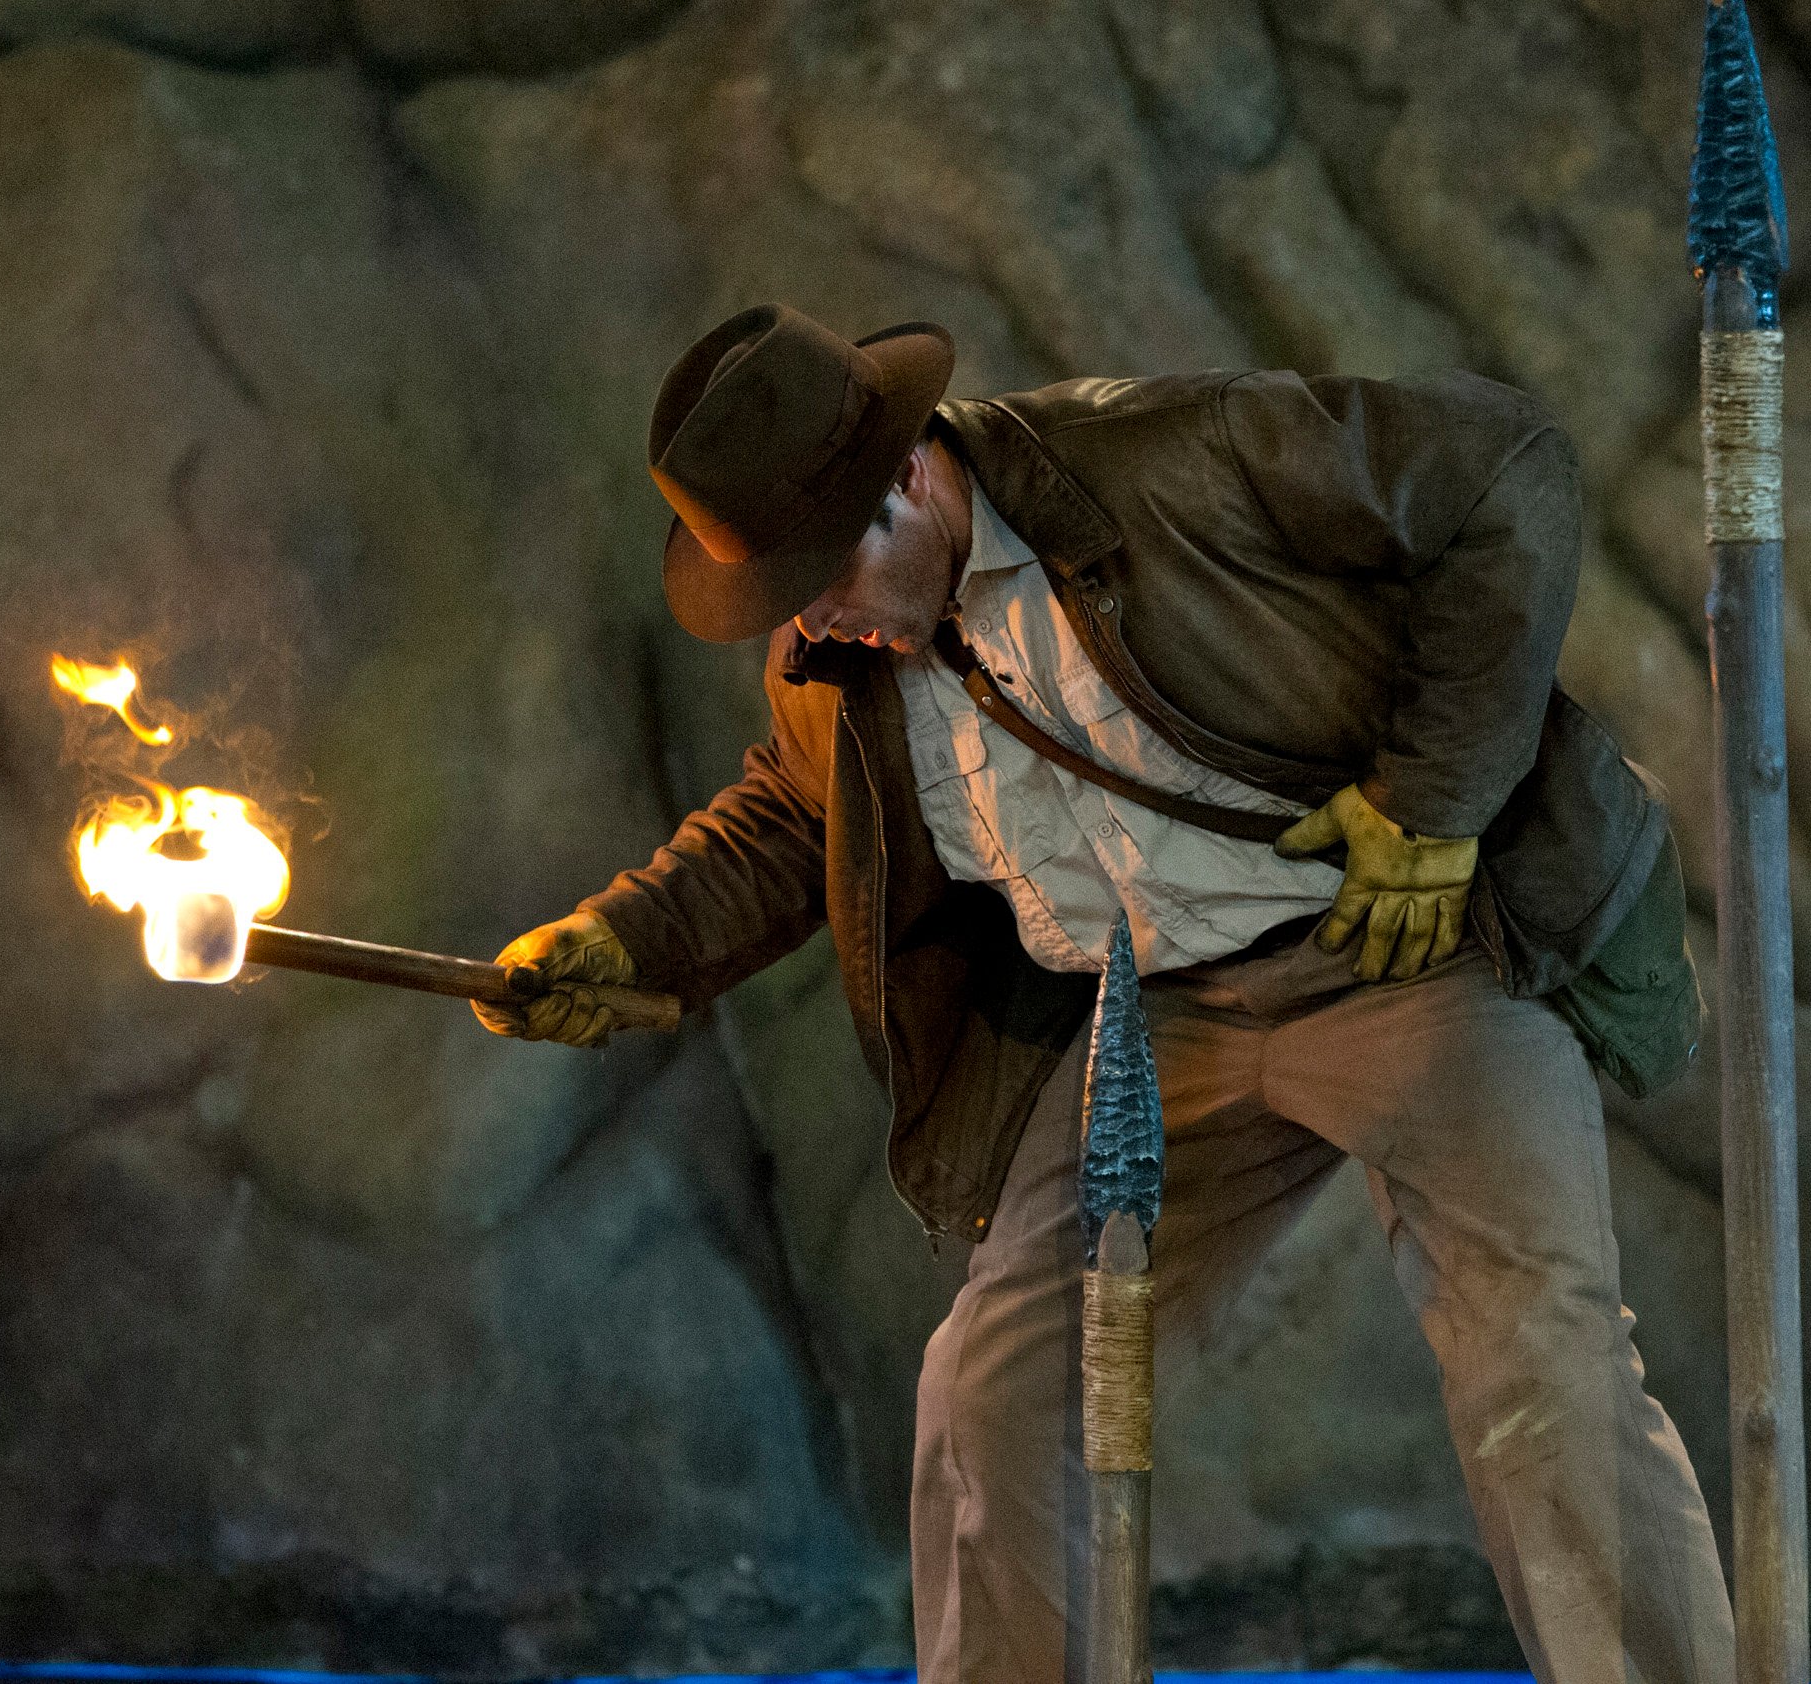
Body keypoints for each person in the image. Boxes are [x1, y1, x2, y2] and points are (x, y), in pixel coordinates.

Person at [474, 303, 1733, 1683]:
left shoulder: (1171, 463)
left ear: (903, 481)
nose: (806, 621)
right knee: (999, 1389)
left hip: (1404, 958)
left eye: (816, 574)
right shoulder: (840, 660)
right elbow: (792, 818)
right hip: (1160, 1026)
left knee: (1536, 1373)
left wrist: (1432, 802)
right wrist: (622, 940)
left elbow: (1507, 472)